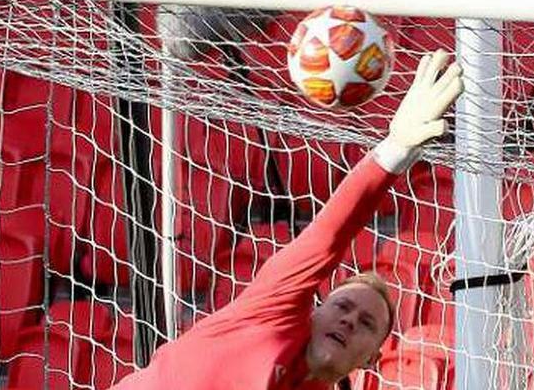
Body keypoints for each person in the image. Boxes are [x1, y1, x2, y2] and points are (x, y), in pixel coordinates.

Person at [110, 49, 464, 390]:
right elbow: (328, 236)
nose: (349, 320)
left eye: (367, 323)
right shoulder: (271, 311)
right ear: (314, 312)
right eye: (342, 306)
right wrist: (396, 149)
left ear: (372, 359)